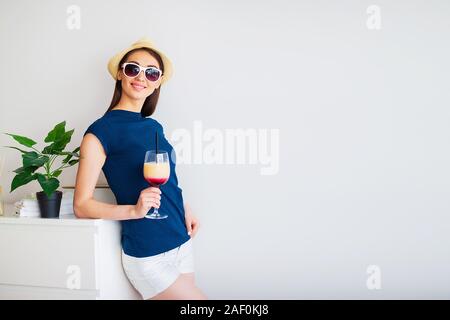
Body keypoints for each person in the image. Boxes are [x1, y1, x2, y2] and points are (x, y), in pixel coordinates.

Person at [74, 38, 207, 300]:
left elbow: (167, 180)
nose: (141, 77)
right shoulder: (99, 132)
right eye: (133, 68)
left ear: (158, 82)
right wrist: (134, 210)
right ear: (121, 74)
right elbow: (82, 205)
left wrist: (184, 206)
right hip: (149, 252)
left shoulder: (154, 127)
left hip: (180, 240)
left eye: (151, 72)